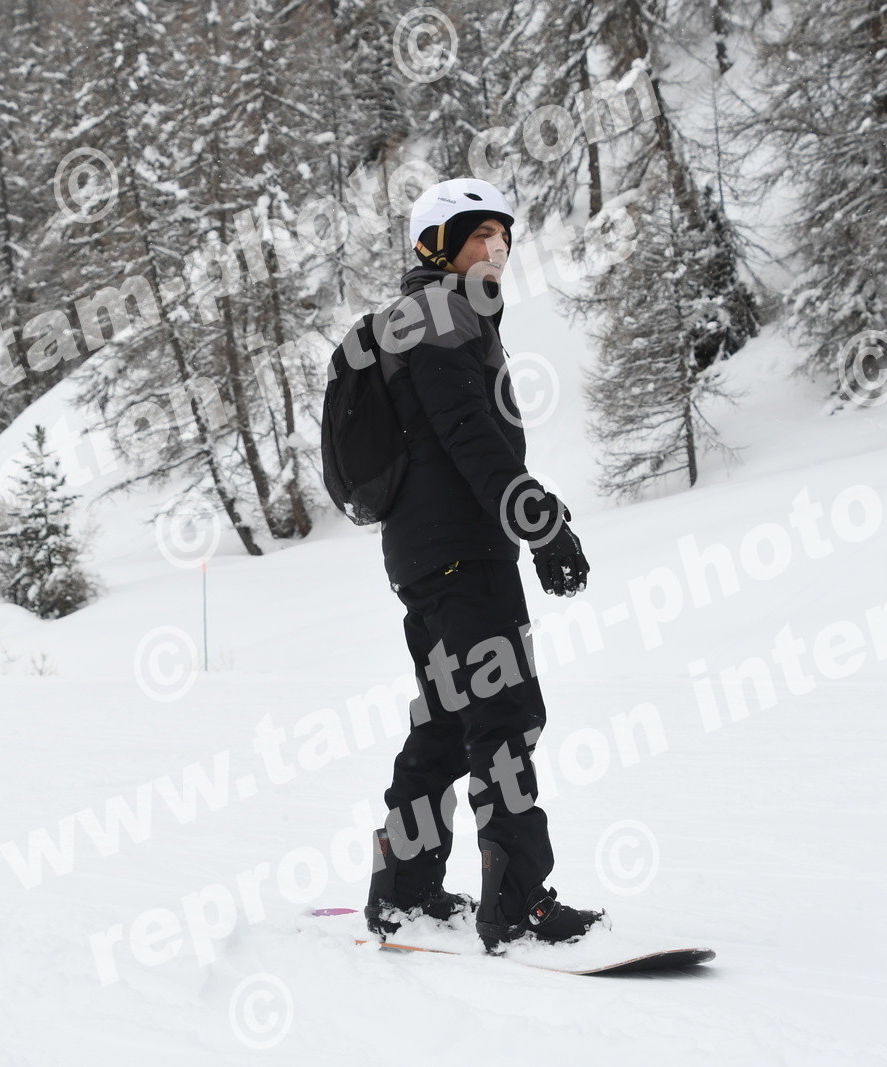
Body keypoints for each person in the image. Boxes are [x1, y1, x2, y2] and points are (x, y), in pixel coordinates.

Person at [362, 177, 607, 953]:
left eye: (502, 238)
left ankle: (403, 889)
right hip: (466, 557)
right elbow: (473, 439)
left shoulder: (421, 320)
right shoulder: (442, 317)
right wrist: (544, 526)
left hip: (425, 560)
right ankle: (518, 903)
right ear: (437, 246)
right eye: (478, 237)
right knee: (503, 716)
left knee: (444, 721)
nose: (496, 251)